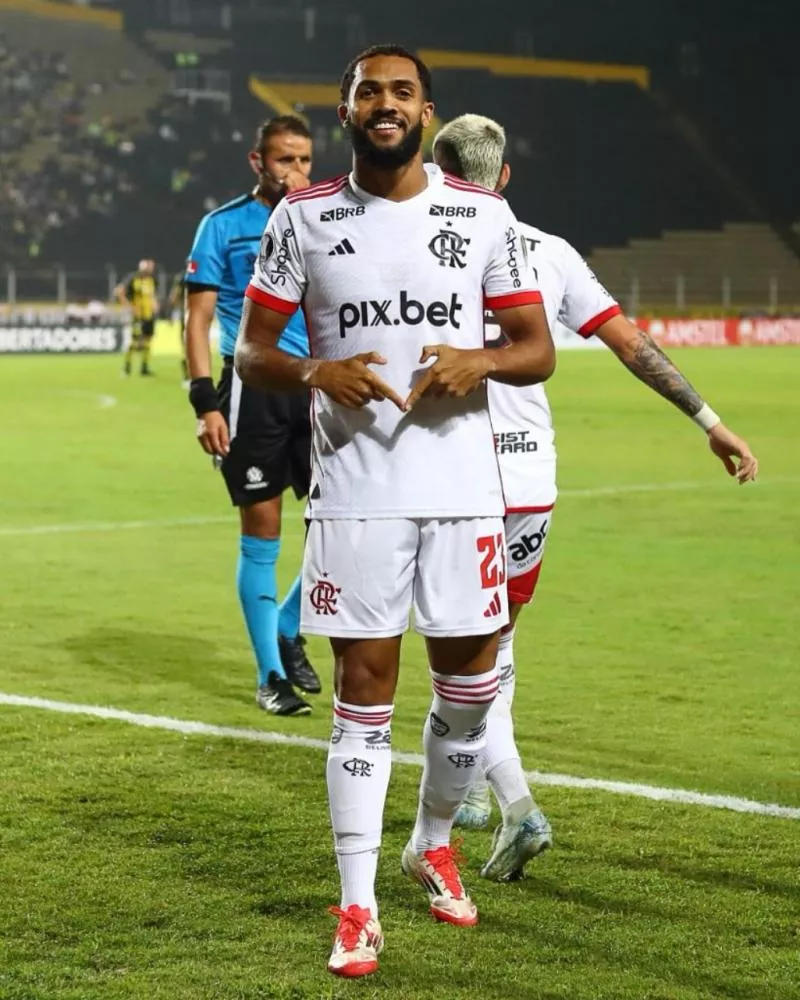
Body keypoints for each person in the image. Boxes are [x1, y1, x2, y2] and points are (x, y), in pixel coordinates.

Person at [235, 45, 555, 978]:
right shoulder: (305, 217)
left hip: (464, 495)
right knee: (361, 704)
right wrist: (310, 369)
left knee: (467, 698)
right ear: (345, 111)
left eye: (402, 92)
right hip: (358, 497)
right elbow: (252, 351)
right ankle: (357, 906)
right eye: (368, 91)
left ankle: (432, 841)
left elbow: (535, 348)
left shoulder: (482, 214)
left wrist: (481, 362)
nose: (386, 104)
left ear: (426, 111)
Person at [432, 113, 759, 881]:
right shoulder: (550, 253)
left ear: (440, 174)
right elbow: (633, 346)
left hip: (461, 478)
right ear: (505, 176)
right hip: (532, 485)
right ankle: (477, 787)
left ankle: (515, 807)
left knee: (464, 659)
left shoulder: (431, 252)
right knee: (497, 649)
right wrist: (709, 421)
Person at [184, 116, 322, 717]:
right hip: (251, 389)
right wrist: (203, 404)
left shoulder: (327, 219)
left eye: (306, 161)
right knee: (261, 534)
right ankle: (271, 675)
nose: (297, 172)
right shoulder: (222, 227)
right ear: (257, 162)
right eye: (285, 160)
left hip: (320, 386)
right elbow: (196, 320)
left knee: (341, 524)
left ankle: (290, 623)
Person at [116, 258, 158, 376]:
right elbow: (119, 292)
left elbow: (152, 295)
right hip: (137, 316)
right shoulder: (133, 278)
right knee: (134, 342)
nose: (150, 270)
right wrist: (129, 307)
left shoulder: (152, 280)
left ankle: (144, 368)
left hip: (149, 315)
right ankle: (127, 367)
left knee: (147, 341)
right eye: (148, 268)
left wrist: (154, 304)